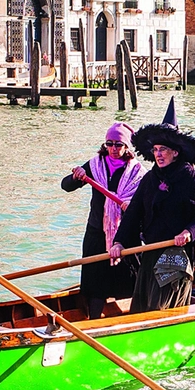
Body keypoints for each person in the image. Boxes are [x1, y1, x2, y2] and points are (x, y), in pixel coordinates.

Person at [110, 98, 195, 313]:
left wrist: (189, 232)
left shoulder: (190, 178)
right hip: (152, 250)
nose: (159, 154)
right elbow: (134, 213)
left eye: (163, 149)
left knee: (161, 306)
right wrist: (119, 243)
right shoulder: (151, 178)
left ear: (176, 152)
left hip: (177, 253)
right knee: (141, 306)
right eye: (155, 150)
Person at [61, 122, 145, 319]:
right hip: (97, 233)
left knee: (130, 279)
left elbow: (146, 202)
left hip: (125, 235)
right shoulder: (94, 165)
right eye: (110, 144)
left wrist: (130, 203)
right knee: (95, 283)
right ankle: (93, 321)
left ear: (127, 148)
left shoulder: (138, 172)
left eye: (119, 145)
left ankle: (131, 318)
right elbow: (66, 186)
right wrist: (76, 177)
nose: (114, 149)